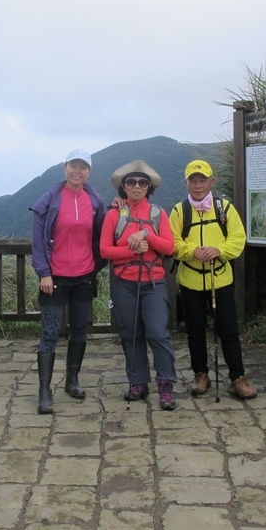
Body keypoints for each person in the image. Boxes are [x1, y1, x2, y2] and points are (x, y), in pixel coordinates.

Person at [169, 159, 257, 399]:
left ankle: (237, 378)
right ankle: (200, 374)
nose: (198, 185)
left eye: (202, 180)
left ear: (212, 181)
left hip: (220, 280)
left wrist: (218, 250)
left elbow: (238, 239)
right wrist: (193, 251)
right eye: (193, 181)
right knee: (195, 330)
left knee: (228, 330)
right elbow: (173, 244)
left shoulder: (224, 209)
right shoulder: (179, 211)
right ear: (186, 183)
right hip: (191, 281)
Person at [31, 148, 106, 415]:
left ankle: (72, 381)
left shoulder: (94, 200)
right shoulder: (50, 199)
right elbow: (38, 240)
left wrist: (95, 266)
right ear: (64, 168)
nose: (77, 171)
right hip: (55, 277)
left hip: (84, 276)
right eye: (73, 166)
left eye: (83, 167)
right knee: (49, 334)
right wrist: (44, 273)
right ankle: (44, 390)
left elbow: (103, 232)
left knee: (79, 331)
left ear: (89, 171)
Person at [100, 160, 179, 410]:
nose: (136, 186)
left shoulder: (158, 214)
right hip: (124, 282)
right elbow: (104, 250)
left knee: (157, 333)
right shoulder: (114, 214)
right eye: (131, 182)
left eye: (142, 182)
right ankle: (138, 382)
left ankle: (166, 384)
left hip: (153, 283)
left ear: (148, 187)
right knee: (131, 334)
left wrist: (146, 235)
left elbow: (169, 247)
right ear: (123, 187)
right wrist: (131, 250)